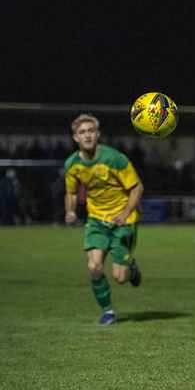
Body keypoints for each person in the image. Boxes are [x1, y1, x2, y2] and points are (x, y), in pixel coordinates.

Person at [63, 114, 144, 325]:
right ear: (75, 138)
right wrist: (71, 211)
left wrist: (125, 213)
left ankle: (131, 266)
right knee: (94, 267)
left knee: (120, 278)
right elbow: (71, 192)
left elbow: (137, 187)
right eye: (82, 132)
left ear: (98, 134)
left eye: (91, 131)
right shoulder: (72, 164)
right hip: (97, 220)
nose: (87, 135)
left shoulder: (114, 158)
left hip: (122, 222)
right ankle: (108, 311)